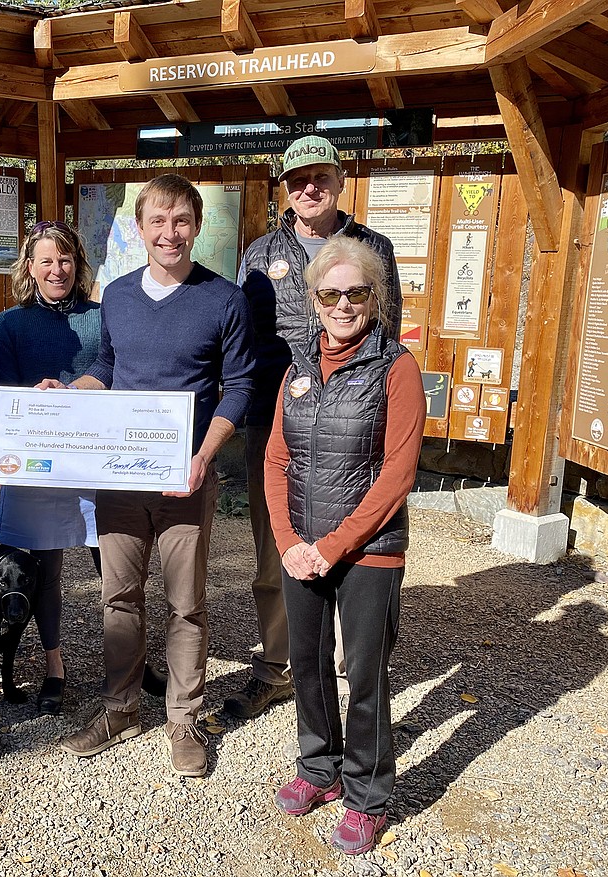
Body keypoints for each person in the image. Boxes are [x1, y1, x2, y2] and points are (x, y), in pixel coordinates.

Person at [44, 174, 254, 778]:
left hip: (184, 476)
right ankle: (120, 708)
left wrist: (203, 458)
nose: (169, 233)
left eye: (181, 221)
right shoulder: (118, 296)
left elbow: (237, 388)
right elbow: (108, 367)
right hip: (120, 476)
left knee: (186, 604)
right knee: (119, 597)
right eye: (157, 222)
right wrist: (67, 392)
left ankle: (184, 719)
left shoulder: (224, 300)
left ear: (197, 226)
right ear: (140, 229)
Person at [227, 135, 402, 720]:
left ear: (339, 179)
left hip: (356, 420)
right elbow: (243, 345)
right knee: (273, 547)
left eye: (320, 176)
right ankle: (282, 664)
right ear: (285, 185)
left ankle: (358, 668)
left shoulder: (374, 247)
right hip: (280, 421)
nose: (309, 187)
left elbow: (389, 337)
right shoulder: (259, 255)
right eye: (298, 177)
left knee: (358, 536)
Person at [264, 237, 425, 855]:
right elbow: (276, 460)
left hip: (368, 552)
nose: (342, 305)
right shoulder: (297, 368)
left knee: (365, 676)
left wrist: (332, 547)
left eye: (354, 292)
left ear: (374, 296)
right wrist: (288, 542)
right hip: (300, 547)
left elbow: (398, 474)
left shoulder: (396, 368)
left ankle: (367, 795)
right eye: (328, 294)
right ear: (313, 300)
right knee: (306, 666)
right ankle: (319, 767)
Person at [0, 220, 101, 716]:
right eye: (47, 261)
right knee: (45, 571)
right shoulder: (10, 325)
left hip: (97, 459)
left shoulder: (103, 317)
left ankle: (131, 664)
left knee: (116, 568)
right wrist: (29, 401)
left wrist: (71, 392)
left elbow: (114, 371)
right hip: (38, 463)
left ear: (78, 264)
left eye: (66, 260)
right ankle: (55, 666)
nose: (58, 270)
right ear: (29, 268)